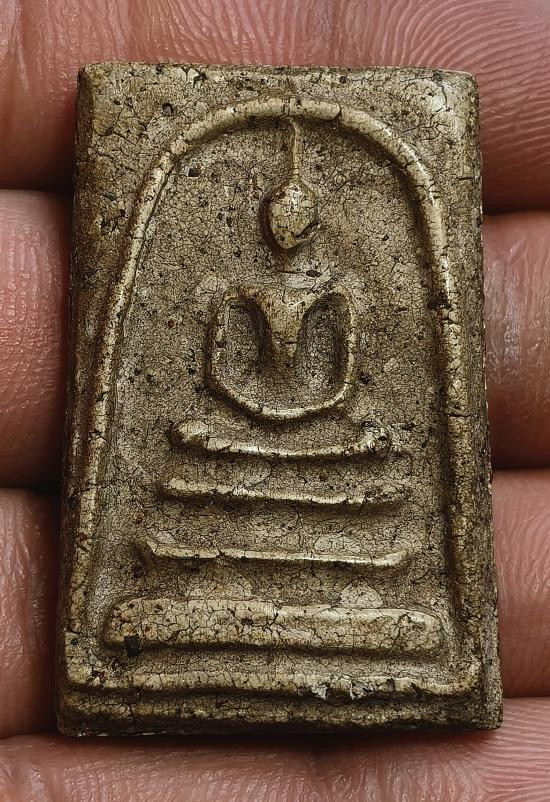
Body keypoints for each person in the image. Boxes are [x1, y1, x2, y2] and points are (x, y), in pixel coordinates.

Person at [1, 1, 549, 798]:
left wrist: (302, 416)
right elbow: (221, 371)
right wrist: (255, 414)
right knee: (196, 451)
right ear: (267, 219)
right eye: (278, 218)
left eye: (298, 220)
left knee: (364, 457)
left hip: (321, 428)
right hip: (239, 424)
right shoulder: (239, 289)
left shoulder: (333, 290)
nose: (286, 231)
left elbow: (342, 378)